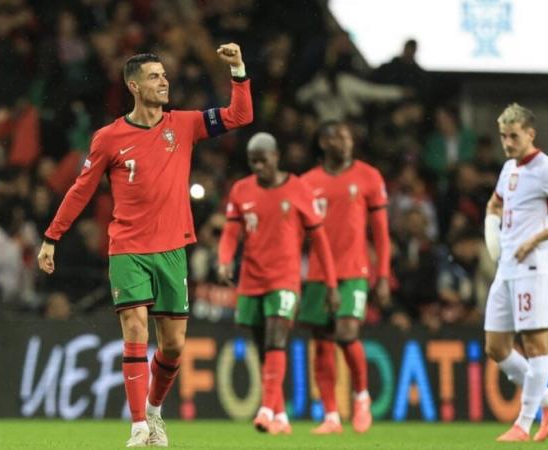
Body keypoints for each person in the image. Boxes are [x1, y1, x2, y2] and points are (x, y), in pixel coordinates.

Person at [37, 43, 253, 447]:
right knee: (135, 328)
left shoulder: (184, 124)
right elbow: (81, 190)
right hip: (128, 248)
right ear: (134, 86)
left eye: (165, 75)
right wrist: (52, 236)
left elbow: (241, 115)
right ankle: (138, 425)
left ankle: (154, 411)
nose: (164, 81)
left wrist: (238, 69)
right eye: (155, 77)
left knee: (172, 346)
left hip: (172, 250)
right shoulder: (109, 137)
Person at [217, 132, 338, 435]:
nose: (258, 166)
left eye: (263, 159)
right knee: (262, 346)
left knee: (276, 337)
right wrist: (224, 258)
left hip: (284, 279)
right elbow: (232, 232)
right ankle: (281, 416)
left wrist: (332, 284)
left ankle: (267, 408)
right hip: (251, 279)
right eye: (252, 161)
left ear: (276, 156)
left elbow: (320, 240)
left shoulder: (298, 189)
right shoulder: (241, 190)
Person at [483, 103, 548, 442]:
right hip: (508, 267)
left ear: (531, 133)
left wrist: (537, 237)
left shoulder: (547, 170)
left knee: (535, 344)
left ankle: (522, 425)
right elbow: (495, 203)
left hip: (535, 265)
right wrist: (491, 226)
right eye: (503, 136)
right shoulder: (508, 169)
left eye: (514, 136)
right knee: (496, 347)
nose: (508, 143)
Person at [298, 120, 391, 434]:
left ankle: (361, 396)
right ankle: (331, 416)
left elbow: (380, 233)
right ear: (323, 142)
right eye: (337, 137)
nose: (345, 142)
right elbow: (296, 236)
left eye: (348, 137)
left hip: (354, 270)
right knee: (322, 342)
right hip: (317, 274)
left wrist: (383, 275)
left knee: (347, 331)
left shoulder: (368, 176)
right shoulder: (307, 183)